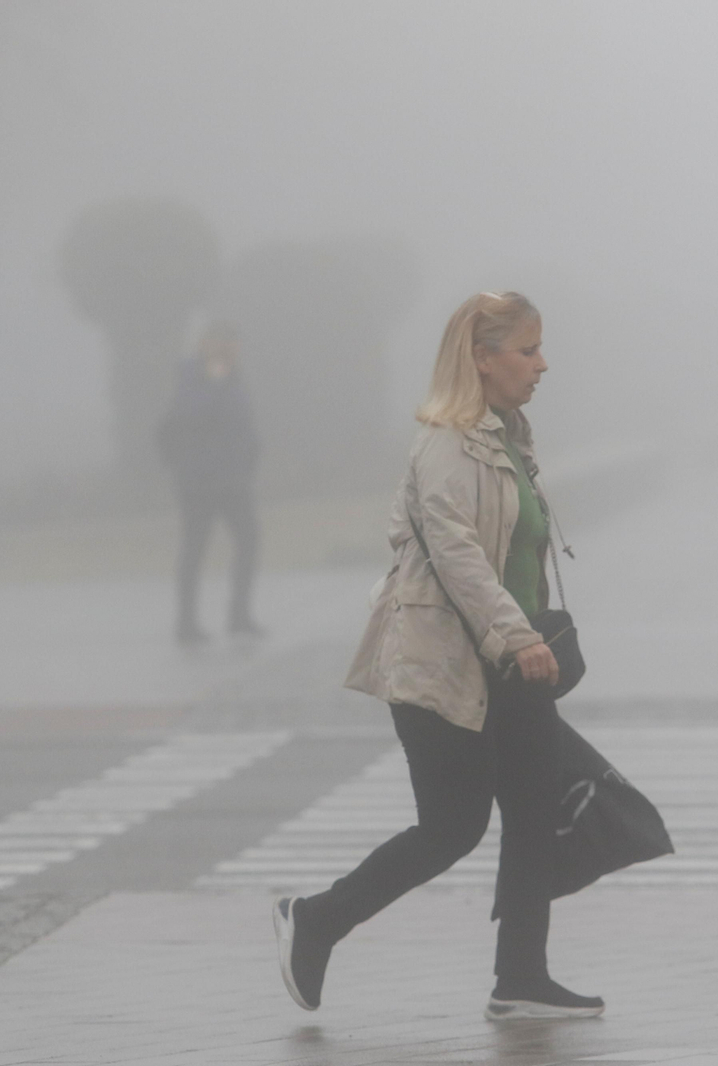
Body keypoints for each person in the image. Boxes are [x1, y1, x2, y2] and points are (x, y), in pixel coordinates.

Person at [270, 291, 604, 1021]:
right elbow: (459, 557)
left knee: (532, 813)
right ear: (482, 358)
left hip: (510, 666)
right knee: (451, 829)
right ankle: (316, 919)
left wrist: (527, 638)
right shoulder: (446, 445)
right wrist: (519, 636)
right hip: (448, 665)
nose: (543, 364)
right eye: (528, 350)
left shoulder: (507, 436)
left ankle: (521, 978)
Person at [156, 322, 263, 644]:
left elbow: (241, 423)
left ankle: (239, 616)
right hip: (198, 482)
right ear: (205, 345)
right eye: (221, 343)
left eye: (232, 344)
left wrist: (250, 456)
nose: (228, 350)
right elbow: (190, 416)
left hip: (233, 480)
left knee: (249, 540)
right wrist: (215, 383)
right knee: (194, 549)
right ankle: (186, 624)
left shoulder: (234, 378)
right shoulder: (189, 376)